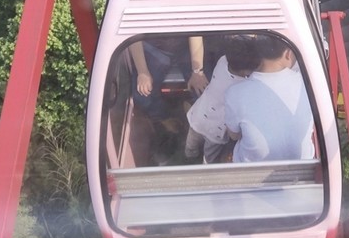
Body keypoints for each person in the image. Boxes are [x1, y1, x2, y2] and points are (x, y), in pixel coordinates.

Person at [224, 36, 315, 163]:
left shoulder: (234, 92)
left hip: (251, 173)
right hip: (303, 166)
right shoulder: (309, 84)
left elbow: (234, 135)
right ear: (288, 54)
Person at [184, 36, 260, 164]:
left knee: (191, 143)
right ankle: (206, 167)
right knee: (210, 156)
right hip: (216, 129)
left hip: (198, 116)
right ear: (245, 70)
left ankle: (189, 157)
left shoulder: (222, 62)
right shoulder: (241, 86)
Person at [130, 36, 208, 121]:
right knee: (142, 94)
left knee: (206, 89)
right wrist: (143, 72)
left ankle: (198, 120)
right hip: (154, 47)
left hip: (187, 47)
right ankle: (160, 120)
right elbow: (133, 34)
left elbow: (195, 31)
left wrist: (197, 72)